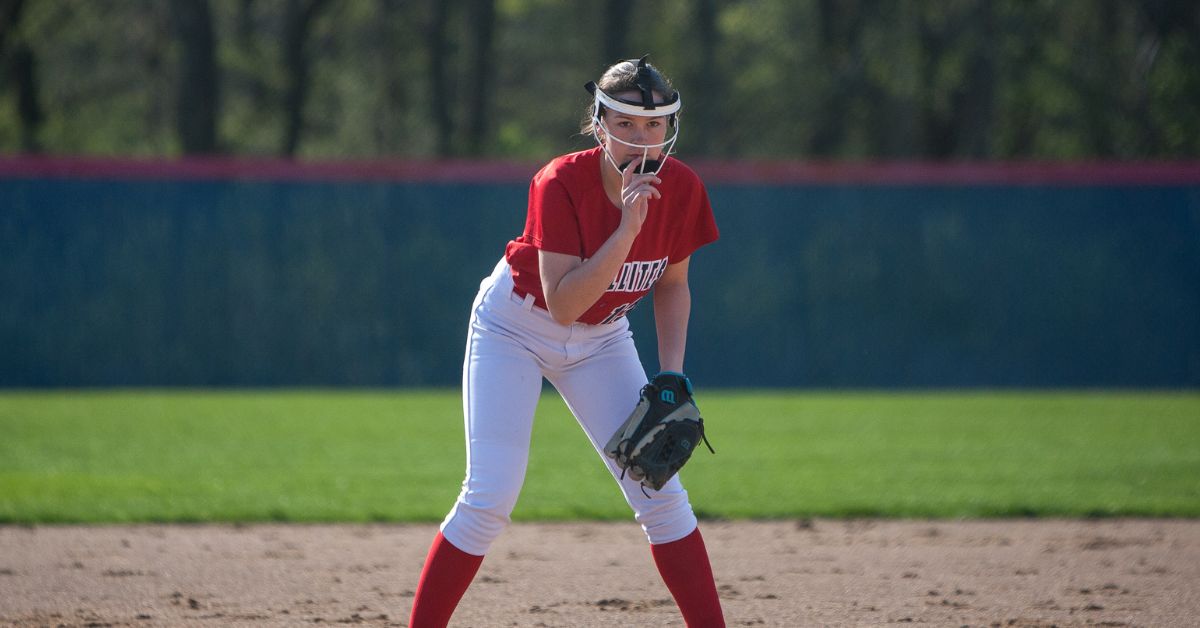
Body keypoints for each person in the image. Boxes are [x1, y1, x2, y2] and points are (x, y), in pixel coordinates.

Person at [407, 55, 725, 628]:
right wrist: (628, 228)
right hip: (517, 326)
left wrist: (671, 373)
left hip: (603, 338)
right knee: (490, 494)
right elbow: (565, 304)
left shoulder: (682, 188)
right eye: (625, 123)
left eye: (654, 125)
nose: (641, 138)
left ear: (670, 130)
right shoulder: (560, 181)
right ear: (598, 124)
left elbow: (673, 285)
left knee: (661, 494)